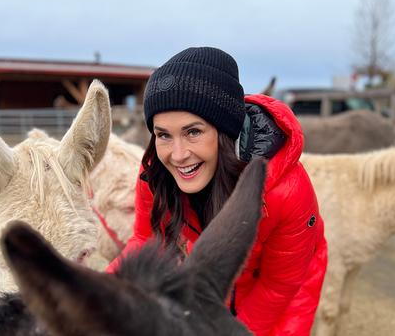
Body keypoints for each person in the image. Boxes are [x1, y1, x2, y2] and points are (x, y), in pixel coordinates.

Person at [106, 47, 327, 335]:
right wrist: (95, 294)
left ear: (226, 131)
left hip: (283, 285)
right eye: (163, 135)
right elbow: (147, 239)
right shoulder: (156, 174)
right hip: (214, 276)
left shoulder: (287, 190)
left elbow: (278, 286)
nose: (178, 154)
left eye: (193, 132)